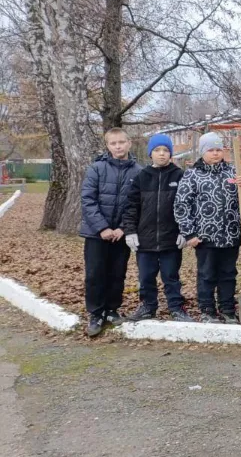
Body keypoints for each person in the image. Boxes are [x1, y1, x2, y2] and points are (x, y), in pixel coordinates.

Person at [174, 132, 241, 324]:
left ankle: (227, 309)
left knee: (228, 274)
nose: (215, 153)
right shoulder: (193, 174)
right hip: (205, 237)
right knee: (207, 274)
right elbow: (181, 205)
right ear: (203, 152)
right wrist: (189, 233)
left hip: (230, 234)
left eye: (218, 149)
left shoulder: (232, 172)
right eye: (211, 150)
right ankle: (207, 310)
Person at [122, 134, 192, 323]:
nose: (161, 154)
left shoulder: (179, 176)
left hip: (171, 240)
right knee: (146, 277)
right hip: (145, 240)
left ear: (170, 154)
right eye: (157, 150)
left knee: (171, 276)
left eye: (165, 151)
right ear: (150, 153)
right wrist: (130, 231)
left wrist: (184, 231)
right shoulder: (141, 177)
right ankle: (147, 306)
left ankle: (176, 308)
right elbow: (131, 207)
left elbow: (187, 206)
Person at [80, 127, 142, 337]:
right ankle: (96, 314)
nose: (118, 146)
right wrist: (103, 228)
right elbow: (88, 200)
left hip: (121, 234)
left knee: (117, 274)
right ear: (107, 146)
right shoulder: (96, 169)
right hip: (96, 234)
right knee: (95, 274)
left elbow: (136, 204)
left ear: (129, 143)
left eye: (121, 142)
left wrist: (122, 229)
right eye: (113, 143)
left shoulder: (138, 172)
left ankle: (112, 309)